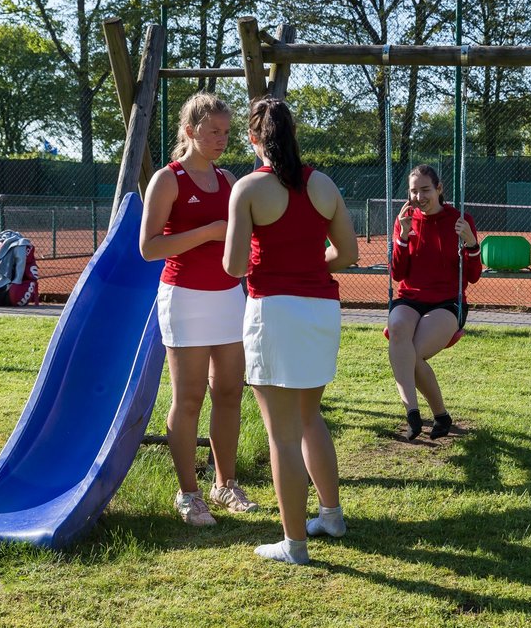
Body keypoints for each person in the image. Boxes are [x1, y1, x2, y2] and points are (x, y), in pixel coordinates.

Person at [223, 97, 358, 565]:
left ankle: (294, 544)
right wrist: (306, 263)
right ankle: (332, 517)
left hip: (273, 312)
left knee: (281, 434)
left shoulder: (248, 189)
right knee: (309, 418)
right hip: (321, 310)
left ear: (254, 138)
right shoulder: (323, 183)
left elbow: (234, 265)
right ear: (293, 133)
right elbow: (347, 254)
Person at [140, 92, 258, 526]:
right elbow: (149, 247)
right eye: (213, 132)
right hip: (184, 298)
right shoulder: (167, 179)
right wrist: (209, 231)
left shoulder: (229, 180)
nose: (222, 139)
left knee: (228, 392)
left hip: (229, 297)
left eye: (226, 132)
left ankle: (224, 483)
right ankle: (189, 494)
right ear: (189, 131)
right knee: (188, 398)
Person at [388, 165, 481, 440]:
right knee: (397, 331)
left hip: (447, 301)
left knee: (411, 354)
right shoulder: (405, 219)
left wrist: (471, 243)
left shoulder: (460, 221)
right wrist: (403, 237)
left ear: (439, 189)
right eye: (413, 191)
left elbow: (473, 276)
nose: (419, 197)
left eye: (425, 190)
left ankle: (440, 415)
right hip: (410, 297)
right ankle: (414, 415)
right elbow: (397, 274)